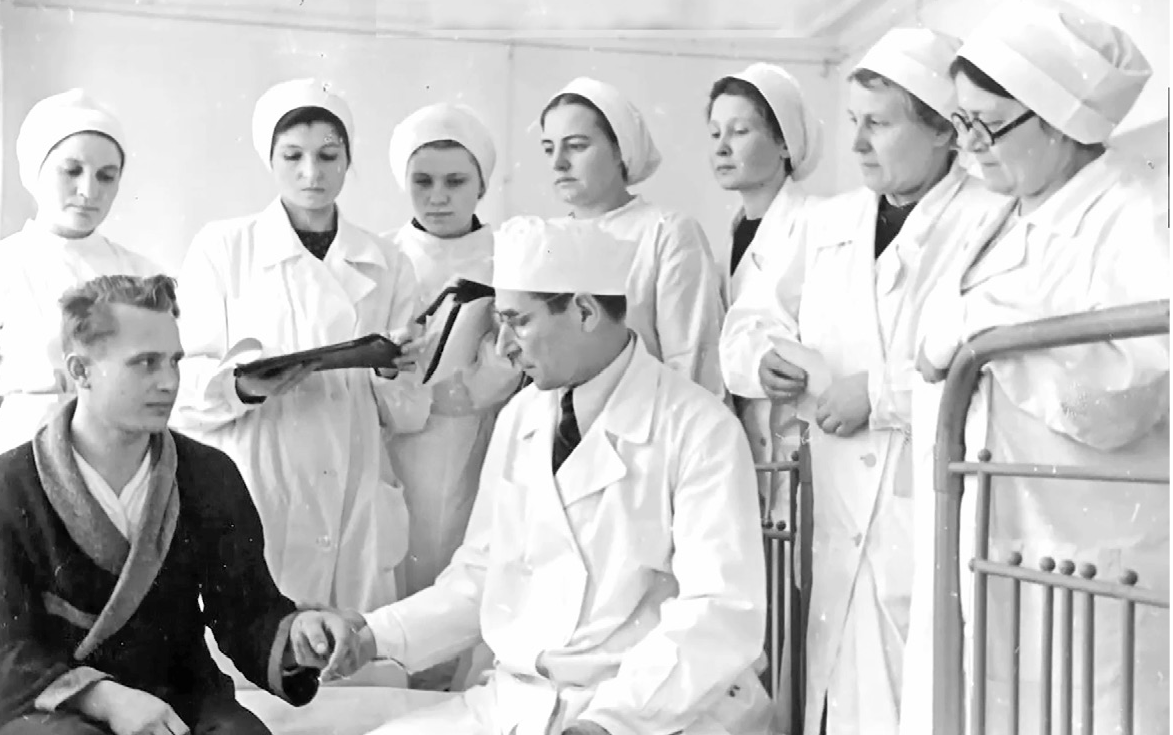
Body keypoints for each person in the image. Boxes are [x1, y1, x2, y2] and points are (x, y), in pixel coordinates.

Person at [343, 217, 771, 735]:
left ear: (585, 311)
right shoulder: (522, 416)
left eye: (518, 322)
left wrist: (610, 723)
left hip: (650, 710)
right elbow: (481, 578)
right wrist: (372, 635)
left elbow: (719, 611)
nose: (503, 346)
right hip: (520, 701)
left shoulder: (700, 429)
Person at [720, 29, 1010, 735]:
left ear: (943, 130)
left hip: (929, 506)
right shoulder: (828, 220)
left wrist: (879, 395)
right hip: (833, 505)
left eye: (877, 123)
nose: (854, 144)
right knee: (834, 693)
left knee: (925, 696)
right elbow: (748, 320)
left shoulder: (992, 218)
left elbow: (998, 368)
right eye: (852, 120)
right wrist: (760, 360)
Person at [908, 5, 1169, 733]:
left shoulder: (1137, 214)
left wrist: (987, 330)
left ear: (1057, 120)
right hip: (985, 539)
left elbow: (1124, 399)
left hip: (1078, 555)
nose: (967, 145)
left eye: (987, 125)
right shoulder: (998, 215)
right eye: (961, 121)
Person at [0, 274, 361, 735]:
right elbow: (6, 648)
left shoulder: (208, 474)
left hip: (180, 696)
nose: (169, 382)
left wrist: (298, 637)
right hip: (55, 705)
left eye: (174, 361)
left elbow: (247, 612)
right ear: (80, 370)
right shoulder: (10, 487)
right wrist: (105, 699)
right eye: (145, 363)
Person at [170, 79, 426, 613]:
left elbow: (410, 413)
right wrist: (242, 387)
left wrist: (390, 371)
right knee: (262, 637)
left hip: (357, 490)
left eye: (328, 156)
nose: (312, 173)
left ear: (348, 158)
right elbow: (181, 387)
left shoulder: (387, 261)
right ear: (270, 159)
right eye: (293, 156)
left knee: (354, 645)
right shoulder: (224, 248)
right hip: (262, 477)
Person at [383, 103, 523, 692]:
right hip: (391, 439)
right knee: (396, 564)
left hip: (476, 436)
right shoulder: (383, 256)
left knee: (465, 565)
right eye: (423, 181)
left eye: (455, 182)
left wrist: (466, 393)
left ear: (482, 185)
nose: (438, 197)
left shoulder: (510, 251)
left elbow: (514, 350)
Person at [539, 77, 727, 398]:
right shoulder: (544, 242)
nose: (558, 162)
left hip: (650, 419)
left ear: (619, 150)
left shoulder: (666, 232)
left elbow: (692, 360)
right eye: (548, 148)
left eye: (577, 146)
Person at [0, 90, 159, 454]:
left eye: (106, 176)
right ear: (35, 170)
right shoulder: (6, 266)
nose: (88, 191)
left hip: (124, 457)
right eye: (72, 171)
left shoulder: (142, 273)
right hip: (21, 460)